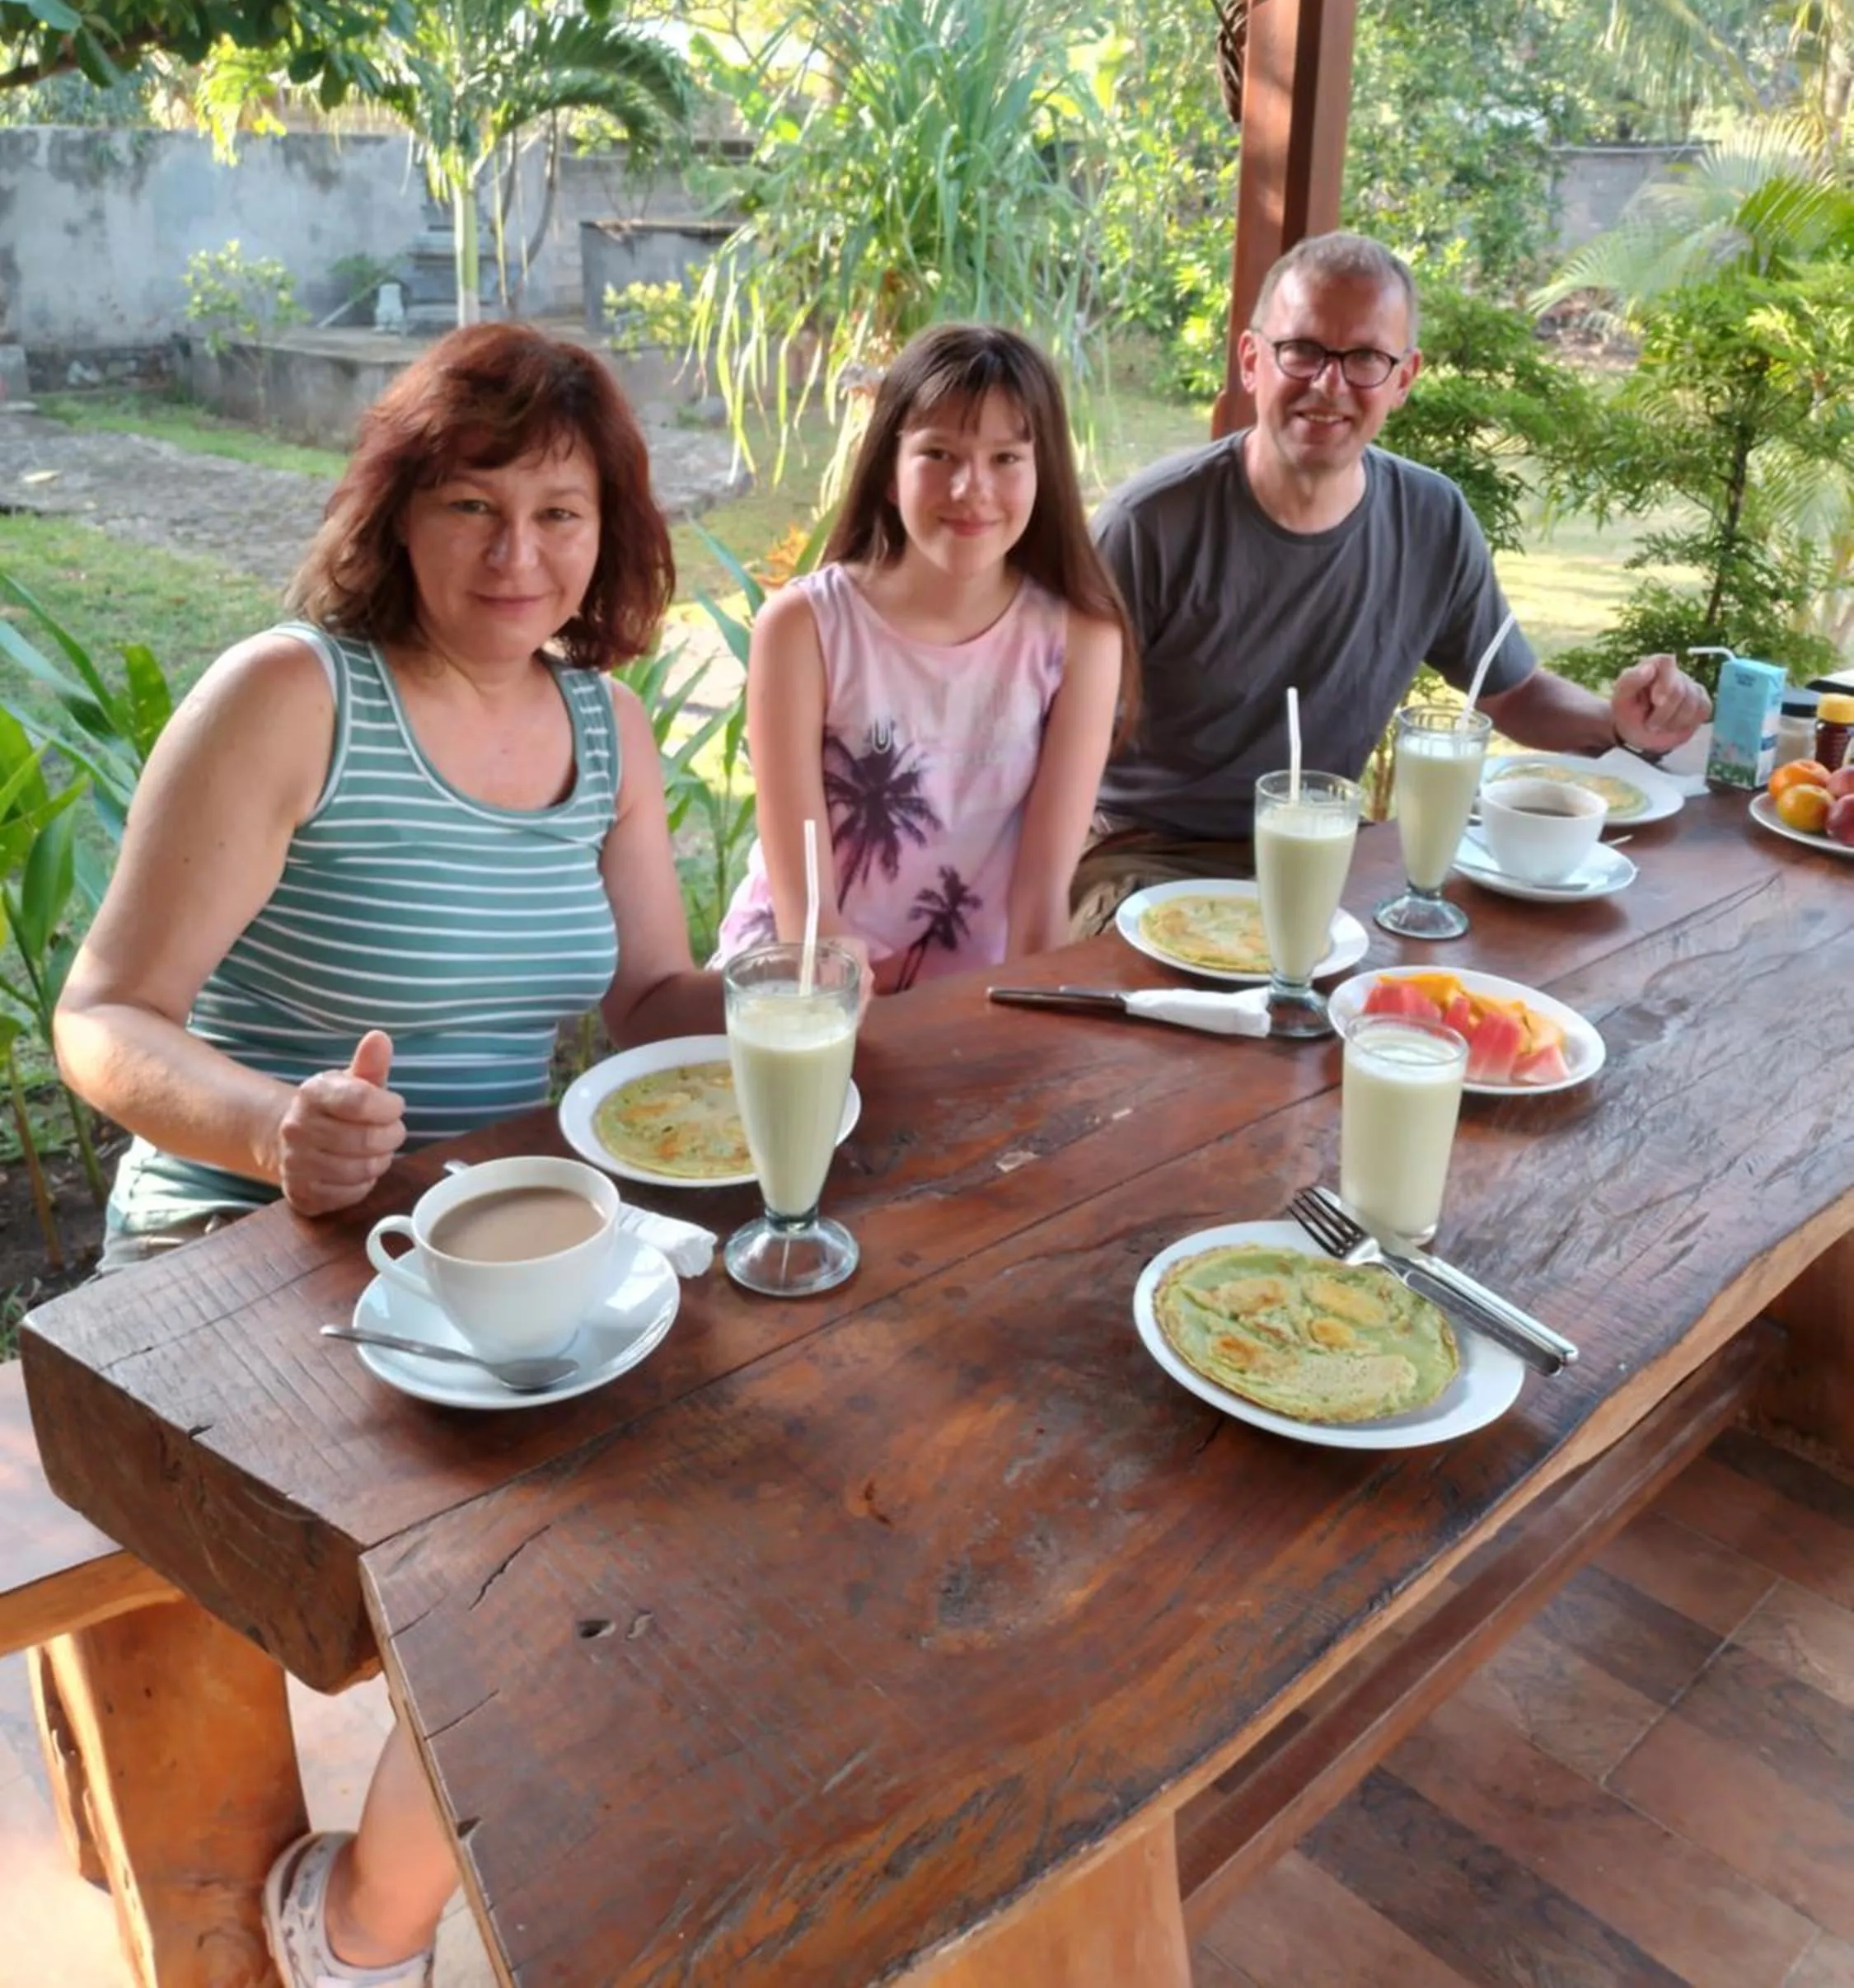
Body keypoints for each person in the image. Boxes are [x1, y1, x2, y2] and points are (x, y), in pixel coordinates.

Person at [54, 322, 723, 1988]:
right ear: (396, 518)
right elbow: (105, 1016)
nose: (519, 555)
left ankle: (378, 1901)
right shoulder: (294, 694)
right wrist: (277, 1128)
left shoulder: (606, 731)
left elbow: (649, 996)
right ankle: (358, 1930)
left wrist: (760, 1001)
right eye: (472, 506)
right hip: (235, 1253)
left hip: (470, 1239)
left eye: (560, 514)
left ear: (610, 533)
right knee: (548, 1541)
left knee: (688, 1471)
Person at [1070, 232, 1710, 930]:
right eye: (1303, 349)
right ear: (1253, 360)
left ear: (1403, 378)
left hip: (1333, 855)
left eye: (1366, 358)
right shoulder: (1151, 525)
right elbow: (1052, 746)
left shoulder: (1431, 518)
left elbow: (1514, 692)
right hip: (1150, 860)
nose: (1329, 384)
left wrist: (1620, 723)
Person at [718, 324, 1131, 991]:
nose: (972, 489)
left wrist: (1036, 1038)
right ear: (888, 470)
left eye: (1006, 458)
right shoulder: (803, 628)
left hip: (975, 993)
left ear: (1043, 473)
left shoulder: (1079, 635)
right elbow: (808, 917)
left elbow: (1040, 902)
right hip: (802, 982)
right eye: (940, 454)